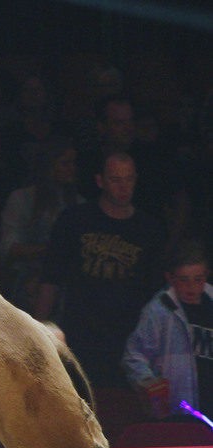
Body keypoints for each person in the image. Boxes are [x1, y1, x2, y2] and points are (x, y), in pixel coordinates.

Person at [35, 151, 167, 388]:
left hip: (127, 338)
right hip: (79, 334)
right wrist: (38, 330)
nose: (123, 187)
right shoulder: (74, 220)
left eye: (129, 179)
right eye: (116, 179)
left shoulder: (150, 230)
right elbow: (50, 278)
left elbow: (155, 293)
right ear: (100, 181)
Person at [122, 240, 212, 421]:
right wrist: (149, 383)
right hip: (179, 407)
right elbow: (134, 356)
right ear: (170, 278)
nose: (192, 287)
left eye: (198, 279)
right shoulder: (159, 311)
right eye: (184, 280)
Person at [0, 137, 83, 312]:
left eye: (73, 163)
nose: (71, 169)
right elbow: (9, 248)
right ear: (49, 166)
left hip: (66, 290)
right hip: (25, 284)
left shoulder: (80, 206)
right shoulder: (21, 200)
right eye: (65, 163)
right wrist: (50, 250)